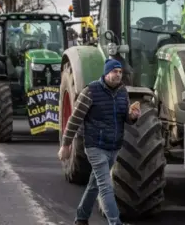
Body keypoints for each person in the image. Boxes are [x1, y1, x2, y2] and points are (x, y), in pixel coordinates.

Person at [58, 58, 141, 225]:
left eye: (120, 72)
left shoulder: (123, 92)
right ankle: (115, 222)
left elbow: (124, 117)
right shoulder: (91, 91)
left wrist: (132, 117)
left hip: (113, 147)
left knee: (94, 184)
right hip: (95, 146)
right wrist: (66, 145)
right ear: (106, 73)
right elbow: (74, 119)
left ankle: (81, 217)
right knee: (105, 186)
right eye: (114, 72)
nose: (118, 75)